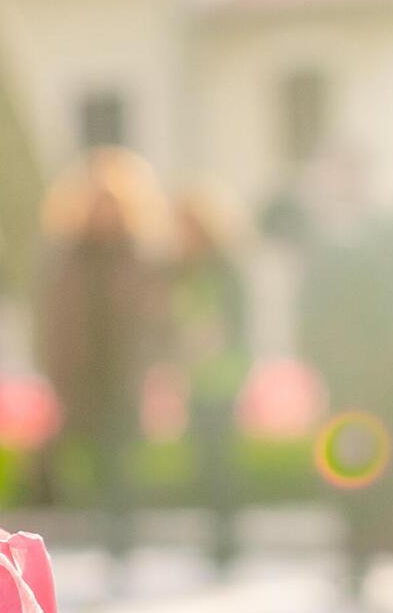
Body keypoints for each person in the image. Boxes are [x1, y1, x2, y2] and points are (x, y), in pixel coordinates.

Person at [38, 149, 163, 562]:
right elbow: (55, 321)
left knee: (123, 464)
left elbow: (153, 320)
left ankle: (122, 544)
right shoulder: (70, 258)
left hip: (125, 379)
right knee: (91, 464)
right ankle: (105, 537)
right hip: (84, 380)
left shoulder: (137, 256)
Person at [167, 188, 249, 565]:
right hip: (193, 377)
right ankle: (212, 537)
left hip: (223, 376)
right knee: (200, 461)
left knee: (222, 460)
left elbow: (240, 323)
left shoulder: (225, 269)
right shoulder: (177, 270)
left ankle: (227, 539)